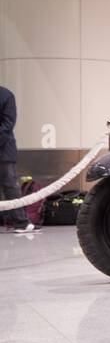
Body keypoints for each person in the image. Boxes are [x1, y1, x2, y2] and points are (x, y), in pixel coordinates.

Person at [0, 83, 35, 233]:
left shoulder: (6, 95)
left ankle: (21, 223)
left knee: (10, 187)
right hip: (5, 149)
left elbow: (8, 124)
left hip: (4, 151)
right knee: (10, 187)